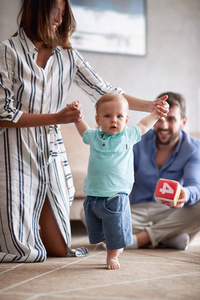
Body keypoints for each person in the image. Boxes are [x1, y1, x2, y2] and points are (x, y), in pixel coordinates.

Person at [0, 0, 168, 263]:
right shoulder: (7, 51)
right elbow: (3, 114)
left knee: (57, 249)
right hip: (14, 149)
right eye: (54, 12)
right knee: (21, 250)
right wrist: (57, 117)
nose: (59, 19)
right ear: (37, 10)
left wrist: (151, 105)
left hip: (50, 150)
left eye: (63, 13)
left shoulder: (68, 55)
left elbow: (108, 92)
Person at [72, 93, 168, 270]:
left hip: (116, 195)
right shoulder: (94, 136)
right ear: (98, 120)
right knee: (96, 231)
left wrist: (156, 113)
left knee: (115, 227)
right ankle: (115, 241)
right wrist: (78, 118)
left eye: (119, 116)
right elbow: (83, 132)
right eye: (107, 116)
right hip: (93, 195)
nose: (113, 120)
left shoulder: (128, 135)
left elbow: (145, 125)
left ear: (126, 119)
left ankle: (113, 255)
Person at [129, 92, 200, 251]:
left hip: (169, 212)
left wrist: (186, 194)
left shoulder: (193, 148)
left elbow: (195, 185)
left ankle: (142, 239)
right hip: (136, 210)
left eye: (171, 119)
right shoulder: (137, 141)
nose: (164, 125)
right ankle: (168, 237)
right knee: (89, 212)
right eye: (159, 118)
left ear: (183, 121)